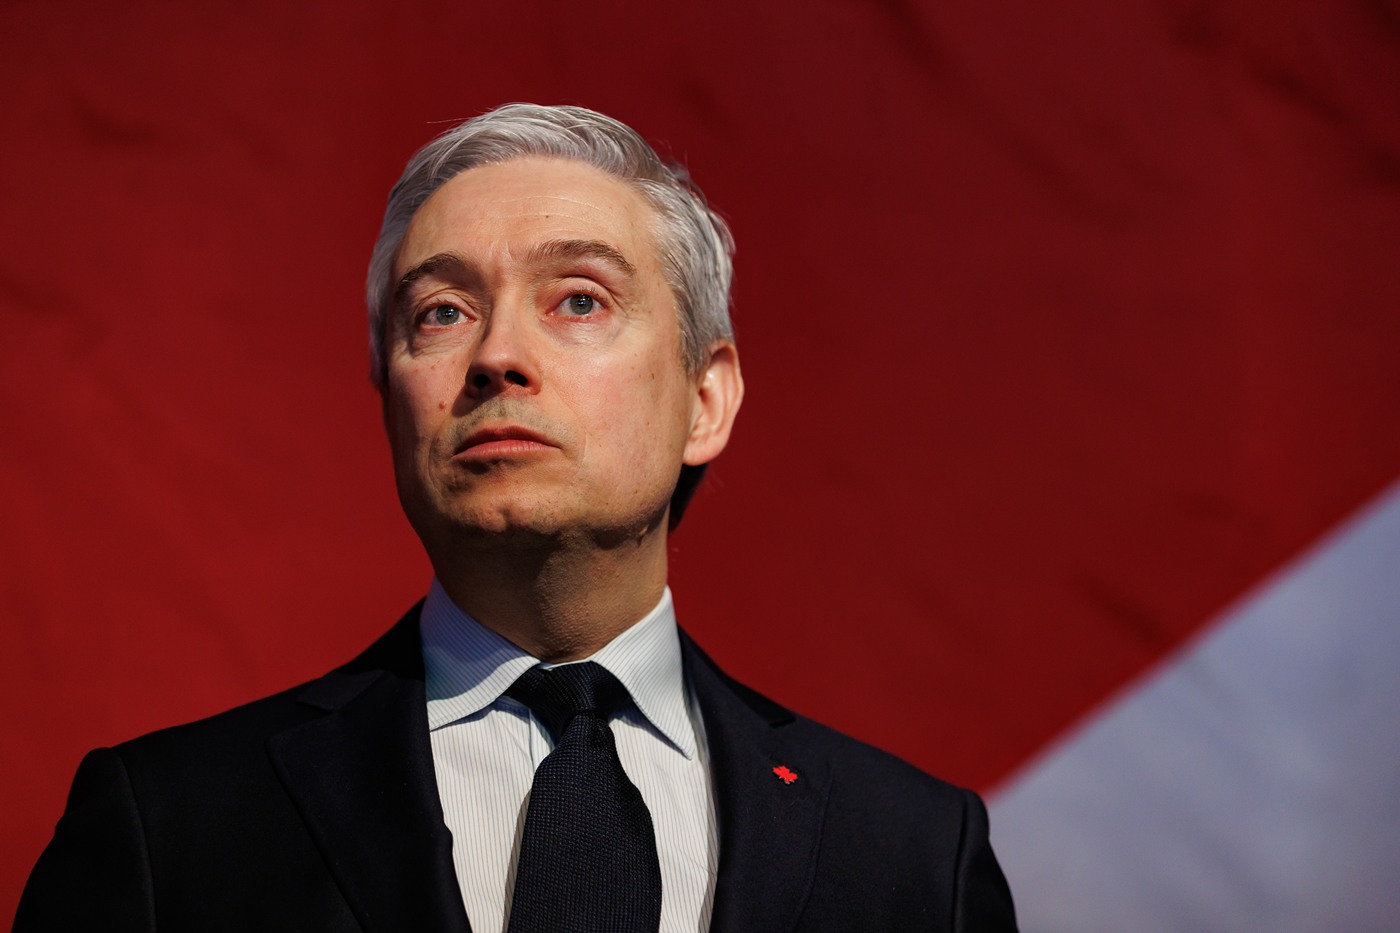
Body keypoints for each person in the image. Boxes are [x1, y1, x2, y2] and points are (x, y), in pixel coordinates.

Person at [16, 103, 1017, 932]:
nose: (496, 355)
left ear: (704, 399)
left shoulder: (913, 855)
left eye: (578, 300)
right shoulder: (171, 827)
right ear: (389, 398)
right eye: (440, 312)